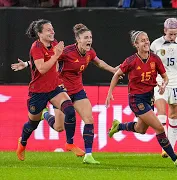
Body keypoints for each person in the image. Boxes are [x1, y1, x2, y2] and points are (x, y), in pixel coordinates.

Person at [12, 23, 120, 164]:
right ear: (78, 39)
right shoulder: (58, 50)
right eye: (86, 37)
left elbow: (99, 63)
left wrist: (113, 70)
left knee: (82, 116)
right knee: (50, 126)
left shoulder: (85, 51)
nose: (89, 40)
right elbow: (43, 64)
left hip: (63, 90)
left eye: (90, 37)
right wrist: (27, 64)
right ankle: (29, 135)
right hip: (44, 91)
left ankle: (82, 151)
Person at [105, 30, 177, 167]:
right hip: (136, 99)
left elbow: (165, 77)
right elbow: (117, 75)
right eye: (143, 40)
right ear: (136, 44)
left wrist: (164, 85)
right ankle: (175, 159)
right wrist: (110, 92)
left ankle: (118, 126)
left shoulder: (155, 59)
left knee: (141, 129)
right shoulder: (131, 61)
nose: (146, 42)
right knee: (159, 128)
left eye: (147, 39)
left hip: (149, 98)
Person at [16, 19, 78, 162]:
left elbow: (55, 62)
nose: (52, 31)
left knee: (69, 110)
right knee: (32, 124)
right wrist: (56, 55)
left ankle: (69, 143)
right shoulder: (36, 47)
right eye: (48, 30)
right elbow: (42, 68)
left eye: (52, 28)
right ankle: (23, 143)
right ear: (40, 33)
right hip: (38, 91)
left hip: (54, 88)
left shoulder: (54, 43)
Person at [150, 18, 177, 158]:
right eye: (170, 34)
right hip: (159, 82)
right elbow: (148, 64)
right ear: (164, 31)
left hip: (175, 83)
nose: (173, 37)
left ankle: (171, 148)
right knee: (161, 113)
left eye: (175, 34)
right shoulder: (155, 45)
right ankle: (165, 146)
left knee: (173, 116)